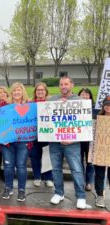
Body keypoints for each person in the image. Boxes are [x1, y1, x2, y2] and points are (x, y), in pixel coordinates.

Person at [48, 75, 86, 209]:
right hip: (55, 143)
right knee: (56, 169)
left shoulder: (80, 101)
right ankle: (59, 193)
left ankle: (81, 196)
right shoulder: (52, 100)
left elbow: (84, 125)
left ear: (72, 85)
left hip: (73, 143)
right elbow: (46, 119)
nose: (63, 87)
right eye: (61, 84)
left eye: (66, 84)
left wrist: (74, 138)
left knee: (76, 170)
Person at [1, 82, 29, 202]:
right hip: (7, 142)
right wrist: (1, 138)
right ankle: (8, 187)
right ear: (11, 92)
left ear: (23, 92)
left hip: (23, 142)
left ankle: (21, 190)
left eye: (19, 90)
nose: (17, 92)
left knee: (21, 166)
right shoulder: (5, 105)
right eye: (14, 90)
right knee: (8, 166)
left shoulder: (29, 106)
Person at [29, 82, 54, 188]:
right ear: (35, 92)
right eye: (38, 90)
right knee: (35, 157)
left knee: (47, 156)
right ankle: (37, 177)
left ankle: (48, 178)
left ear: (46, 91)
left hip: (47, 135)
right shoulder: (30, 104)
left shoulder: (51, 103)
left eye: (42, 90)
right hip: (33, 135)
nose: (40, 92)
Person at [93, 96, 110, 208]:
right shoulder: (97, 117)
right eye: (107, 104)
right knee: (99, 174)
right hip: (100, 150)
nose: (108, 107)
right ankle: (100, 195)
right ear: (103, 105)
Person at [78, 88, 95, 191]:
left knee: (90, 162)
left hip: (90, 140)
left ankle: (89, 182)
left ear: (90, 97)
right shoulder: (73, 108)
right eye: (82, 94)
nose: (84, 96)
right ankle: (81, 181)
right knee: (78, 161)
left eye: (86, 94)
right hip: (78, 140)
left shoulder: (94, 109)